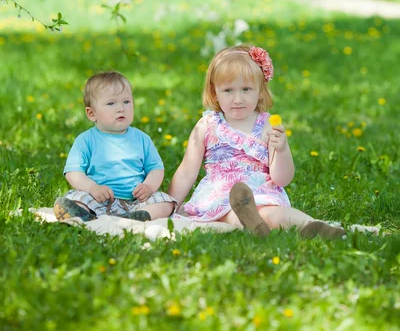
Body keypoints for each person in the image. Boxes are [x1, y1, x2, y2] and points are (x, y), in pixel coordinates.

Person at [168, 45, 345, 239]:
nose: (238, 98)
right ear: (214, 92)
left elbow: (282, 179)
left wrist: (282, 149)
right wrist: (169, 205)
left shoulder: (268, 125)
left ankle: (313, 227)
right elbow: (186, 172)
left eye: (246, 89)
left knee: (273, 213)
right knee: (228, 214)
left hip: (260, 191)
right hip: (220, 194)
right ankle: (254, 224)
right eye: (228, 90)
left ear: (260, 90)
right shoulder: (207, 125)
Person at [54, 71, 176, 222]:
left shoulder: (142, 139)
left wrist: (149, 187)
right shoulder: (85, 140)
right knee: (77, 197)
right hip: (98, 199)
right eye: (111, 103)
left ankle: (138, 217)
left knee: (167, 202)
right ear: (92, 114)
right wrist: (93, 188)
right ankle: (83, 214)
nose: (121, 108)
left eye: (126, 102)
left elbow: (156, 169)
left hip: (135, 203)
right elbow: (73, 172)